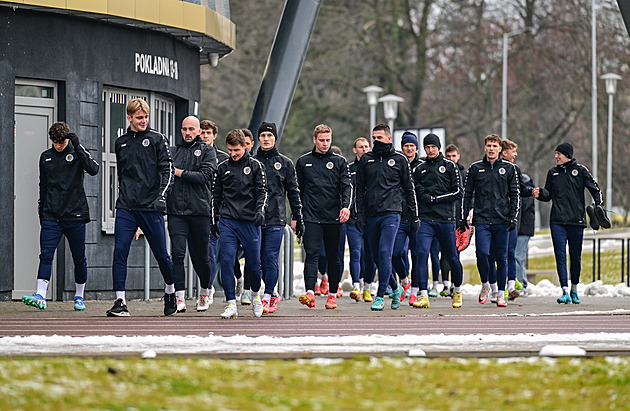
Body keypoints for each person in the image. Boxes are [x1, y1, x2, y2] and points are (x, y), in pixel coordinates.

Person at [107, 98, 176, 317]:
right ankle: (120, 301)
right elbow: (122, 175)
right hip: (126, 207)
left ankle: (170, 291)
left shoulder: (157, 139)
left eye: (146, 117)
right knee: (120, 251)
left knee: (162, 254)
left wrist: (161, 198)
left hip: (151, 207)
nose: (143, 121)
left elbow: (168, 170)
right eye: (139, 118)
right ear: (129, 118)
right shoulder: (121, 142)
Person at [22, 122, 99, 311]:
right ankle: (40, 294)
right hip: (52, 216)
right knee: (46, 255)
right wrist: (42, 211)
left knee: (79, 258)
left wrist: (78, 146)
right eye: (54, 142)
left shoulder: (77, 153)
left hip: (76, 215)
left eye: (61, 142)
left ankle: (79, 296)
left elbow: (94, 168)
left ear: (67, 139)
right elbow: (43, 185)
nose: (58, 146)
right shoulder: (46, 157)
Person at [533, 142, 606, 304]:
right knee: (560, 255)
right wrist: (540, 194)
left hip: (576, 221)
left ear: (567, 155)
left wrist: (598, 204)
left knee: (575, 257)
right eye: (555, 153)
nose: (556, 157)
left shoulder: (580, 170)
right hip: (557, 221)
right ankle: (564, 291)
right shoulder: (552, 173)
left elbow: (595, 189)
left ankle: (574, 289)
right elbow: (548, 194)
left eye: (559, 153)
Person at [356, 123, 418, 311]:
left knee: (385, 253)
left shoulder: (399, 160)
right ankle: (395, 287)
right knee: (375, 256)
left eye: (379, 138)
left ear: (389, 139)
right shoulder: (366, 159)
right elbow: (359, 189)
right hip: (371, 214)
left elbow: (409, 189)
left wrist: (415, 216)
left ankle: (380, 295)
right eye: (373, 138)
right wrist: (358, 214)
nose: (376, 141)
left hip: (392, 213)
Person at [212, 129, 267, 318]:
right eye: (230, 150)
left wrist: (260, 211)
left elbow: (262, 192)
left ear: (245, 146)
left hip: (250, 221)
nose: (233, 154)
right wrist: (214, 220)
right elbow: (216, 196)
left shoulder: (255, 166)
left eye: (236, 150)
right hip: (228, 221)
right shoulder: (222, 168)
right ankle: (230, 303)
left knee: (254, 264)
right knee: (227, 261)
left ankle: (255, 296)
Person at [295, 124, 352, 309]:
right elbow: (297, 191)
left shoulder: (339, 162)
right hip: (311, 217)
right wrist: (296, 215)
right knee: (312, 254)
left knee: (334, 257)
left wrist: (345, 207)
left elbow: (346, 187)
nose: (325, 143)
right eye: (322, 140)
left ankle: (333, 294)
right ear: (314, 140)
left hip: (333, 218)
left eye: (328, 140)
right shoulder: (304, 162)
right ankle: (310, 293)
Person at [462, 133, 519, 308]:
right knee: (483, 254)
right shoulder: (475, 168)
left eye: (495, 146)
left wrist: (512, 216)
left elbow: (514, 194)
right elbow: (467, 193)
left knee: (502, 258)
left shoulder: (509, 169)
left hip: (502, 220)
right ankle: (486, 284)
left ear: (500, 149)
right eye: (489, 146)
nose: (491, 149)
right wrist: (464, 215)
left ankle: (501, 294)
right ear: (485, 148)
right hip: (482, 220)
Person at [167, 116, 216, 313]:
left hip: (199, 212)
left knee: (201, 257)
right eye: (184, 129)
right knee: (177, 254)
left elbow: (205, 176)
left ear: (198, 131)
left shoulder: (207, 151)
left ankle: (204, 291)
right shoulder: (173, 151)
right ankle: (180, 298)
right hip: (176, 212)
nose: (188, 133)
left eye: (191, 129)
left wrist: (180, 173)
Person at [253, 122, 303, 313]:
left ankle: (268, 296)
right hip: (254, 219)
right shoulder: (251, 161)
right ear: (259, 138)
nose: (266, 139)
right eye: (263, 136)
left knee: (270, 257)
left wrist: (297, 217)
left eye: (269, 136)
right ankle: (271, 291)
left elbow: (294, 192)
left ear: (275, 138)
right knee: (255, 260)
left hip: (275, 218)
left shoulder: (285, 163)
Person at [412, 133, 464, 309]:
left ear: (439, 147)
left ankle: (457, 290)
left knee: (451, 257)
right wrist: (421, 194)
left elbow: (458, 192)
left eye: (433, 147)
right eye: (427, 147)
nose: (430, 150)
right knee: (421, 254)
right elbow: (415, 191)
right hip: (426, 219)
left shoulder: (450, 166)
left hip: (446, 219)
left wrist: (436, 199)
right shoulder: (419, 169)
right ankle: (423, 294)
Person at [499, 139, 535, 299]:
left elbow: (523, 200)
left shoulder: (520, 176)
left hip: (518, 226)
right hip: (503, 221)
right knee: (503, 255)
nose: (516, 154)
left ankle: (519, 284)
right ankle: (509, 285)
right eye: (513, 151)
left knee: (515, 256)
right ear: (504, 152)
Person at [198, 119, 228, 303]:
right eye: (202, 132)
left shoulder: (223, 158)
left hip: (218, 213)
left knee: (217, 254)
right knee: (202, 254)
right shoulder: (193, 155)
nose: (204, 136)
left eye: (208, 133)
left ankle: (208, 288)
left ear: (214, 136)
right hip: (198, 209)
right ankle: (204, 287)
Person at [392, 131, 422, 304]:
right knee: (396, 253)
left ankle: (415, 291)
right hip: (400, 215)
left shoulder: (422, 166)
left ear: (416, 148)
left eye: (412, 146)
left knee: (418, 255)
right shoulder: (397, 163)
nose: (409, 148)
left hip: (418, 217)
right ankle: (404, 280)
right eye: (406, 146)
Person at [347, 137, 371, 301]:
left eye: (366, 146)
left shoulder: (374, 166)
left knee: (368, 254)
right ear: (355, 150)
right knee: (356, 252)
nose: (364, 149)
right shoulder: (349, 169)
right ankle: (356, 285)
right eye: (360, 147)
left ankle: (367, 285)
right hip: (353, 219)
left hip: (371, 219)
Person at [440, 144, 466, 296]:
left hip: (458, 218)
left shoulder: (464, 173)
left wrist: (466, 215)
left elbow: (467, 195)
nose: (451, 159)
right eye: (448, 156)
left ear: (458, 156)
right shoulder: (443, 171)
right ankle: (445, 283)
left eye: (453, 156)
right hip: (443, 216)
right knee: (443, 253)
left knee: (455, 252)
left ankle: (456, 286)